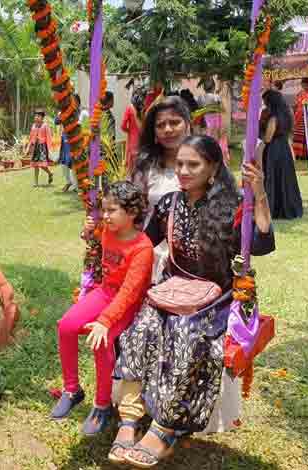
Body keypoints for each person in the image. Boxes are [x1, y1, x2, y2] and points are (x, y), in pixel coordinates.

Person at [111, 135, 275, 468]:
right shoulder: (170, 204)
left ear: (213, 167)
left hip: (217, 297)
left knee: (185, 335)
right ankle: (129, 418)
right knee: (140, 326)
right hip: (172, 289)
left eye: (193, 165)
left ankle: (164, 427)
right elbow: (140, 242)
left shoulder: (232, 206)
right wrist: (104, 228)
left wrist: (258, 194)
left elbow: (262, 243)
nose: (183, 171)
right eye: (180, 164)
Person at [51, 181, 153, 435]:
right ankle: (72, 389)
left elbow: (130, 293)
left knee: (102, 340)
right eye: (103, 210)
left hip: (129, 304)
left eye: (111, 210)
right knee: (66, 326)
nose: (105, 216)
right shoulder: (107, 230)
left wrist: (105, 321)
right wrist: (86, 232)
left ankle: (103, 403)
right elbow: (92, 237)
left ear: (131, 213)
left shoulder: (142, 247)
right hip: (105, 292)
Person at [130, 97, 191, 228]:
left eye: (174, 122)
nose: (167, 129)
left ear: (187, 125)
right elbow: (133, 211)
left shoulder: (207, 161)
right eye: (160, 125)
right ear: (155, 133)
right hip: (154, 246)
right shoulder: (145, 167)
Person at [258, 90, 303, 219]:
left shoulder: (273, 118)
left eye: (265, 102)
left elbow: (268, 138)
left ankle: (273, 208)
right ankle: (288, 206)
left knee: (273, 178)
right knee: (285, 180)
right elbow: (289, 134)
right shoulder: (288, 114)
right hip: (284, 148)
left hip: (274, 150)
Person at [198, 78, 230, 165]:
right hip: (216, 120)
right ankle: (220, 162)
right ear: (213, 86)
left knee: (207, 143)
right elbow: (223, 110)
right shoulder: (216, 97)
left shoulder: (200, 98)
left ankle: (209, 161)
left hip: (205, 120)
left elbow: (199, 112)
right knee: (218, 142)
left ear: (204, 87)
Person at [25, 110, 54, 187]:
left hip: (42, 147)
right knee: (36, 165)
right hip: (35, 147)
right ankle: (36, 182)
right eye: (36, 116)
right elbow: (31, 138)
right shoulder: (33, 126)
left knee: (42, 165)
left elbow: (49, 138)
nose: (36, 117)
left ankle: (50, 173)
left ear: (42, 117)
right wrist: (28, 148)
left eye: (38, 116)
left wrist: (50, 149)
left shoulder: (45, 126)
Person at [292, 77, 308, 159]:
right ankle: (297, 154)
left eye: (303, 84)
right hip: (298, 118)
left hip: (307, 118)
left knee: (306, 137)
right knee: (297, 136)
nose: (302, 86)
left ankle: (305, 155)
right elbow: (296, 104)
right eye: (302, 84)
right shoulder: (300, 93)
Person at [122, 88, 145, 173]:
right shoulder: (144, 109)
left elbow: (123, 126)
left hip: (132, 141)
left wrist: (129, 131)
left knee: (131, 169)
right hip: (142, 141)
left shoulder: (129, 109)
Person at [56, 115, 77, 192]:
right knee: (63, 162)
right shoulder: (62, 111)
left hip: (73, 137)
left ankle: (76, 185)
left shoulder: (75, 110)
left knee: (72, 162)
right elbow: (56, 121)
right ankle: (69, 182)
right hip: (64, 137)